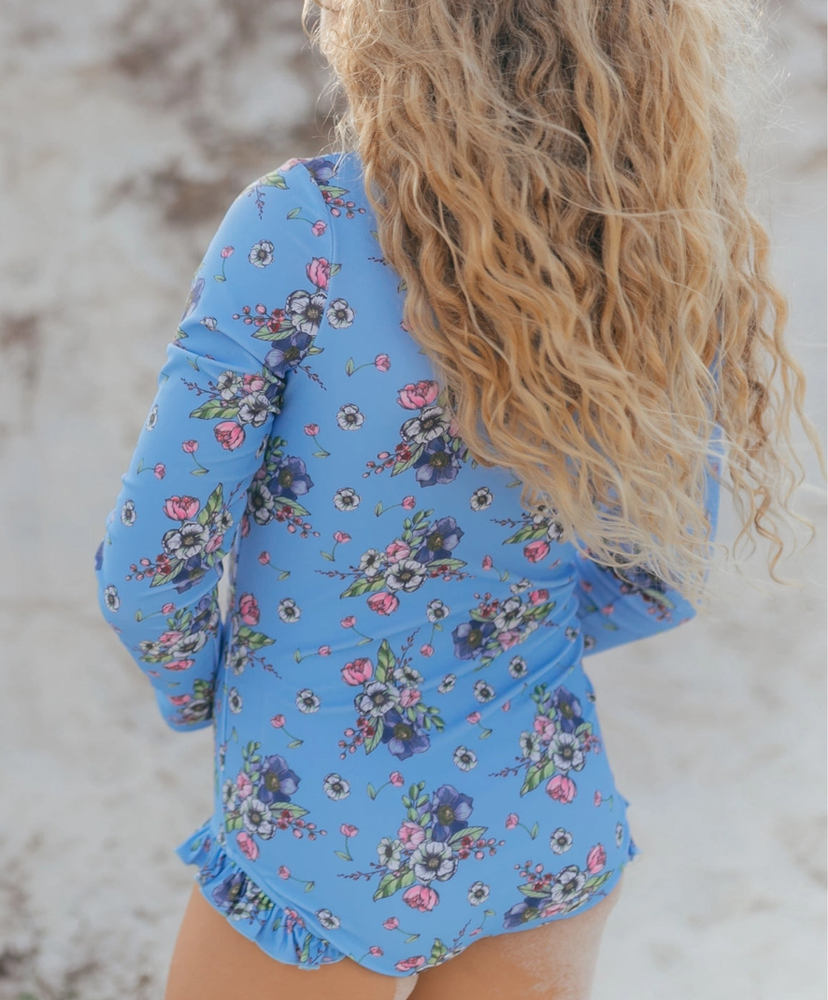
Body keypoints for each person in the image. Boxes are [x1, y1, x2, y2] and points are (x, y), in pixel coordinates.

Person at [93, 1, 824, 998]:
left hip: (321, 833)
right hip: (545, 814)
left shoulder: (300, 228)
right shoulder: (649, 249)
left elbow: (150, 568)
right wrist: (487, 643)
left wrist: (212, 690)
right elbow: (660, 576)